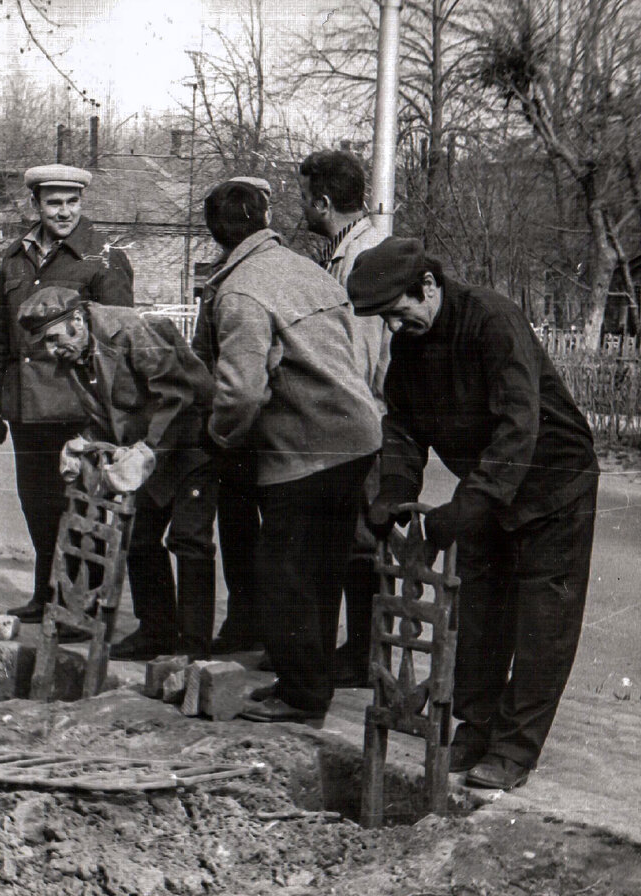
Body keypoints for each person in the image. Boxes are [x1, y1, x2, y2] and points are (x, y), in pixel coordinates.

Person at [347, 237, 599, 791]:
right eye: (384, 318)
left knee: (542, 621)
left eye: (398, 311)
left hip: (553, 484)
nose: (393, 326)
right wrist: (393, 489)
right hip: (489, 484)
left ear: (429, 286)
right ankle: (477, 725)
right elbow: (404, 428)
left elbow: (517, 428)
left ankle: (514, 748)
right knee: (480, 611)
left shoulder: (491, 320)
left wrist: (464, 511)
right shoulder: (411, 346)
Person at [200, 180, 381, 727]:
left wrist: (221, 437)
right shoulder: (307, 269)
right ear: (263, 220)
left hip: (303, 450)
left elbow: (240, 390)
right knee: (324, 568)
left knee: (286, 574)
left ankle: (302, 698)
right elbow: (355, 349)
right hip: (355, 439)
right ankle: (309, 680)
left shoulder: (240, 291)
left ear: (215, 235)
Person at [17, 287, 218, 660]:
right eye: (43, 344)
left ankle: (193, 650)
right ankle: (156, 633)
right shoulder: (76, 354)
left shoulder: (130, 332)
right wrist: (85, 443)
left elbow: (178, 396)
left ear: (77, 321)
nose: (50, 352)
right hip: (150, 445)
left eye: (52, 339)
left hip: (190, 439)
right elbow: (110, 413)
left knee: (190, 540)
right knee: (140, 538)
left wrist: (145, 451)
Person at [0, 163, 134, 622]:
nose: (64, 212)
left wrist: (105, 416)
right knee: (38, 506)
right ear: (36, 205)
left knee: (82, 509)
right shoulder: (14, 258)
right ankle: (46, 595)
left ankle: (79, 606)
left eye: (72, 202)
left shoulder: (101, 258)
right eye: (54, 203)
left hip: (75, 407)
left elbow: (116, 340)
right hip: (26, 408)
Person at [297, 149, 389, 687]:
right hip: (355, 418)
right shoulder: (343, 253)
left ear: (324, 202)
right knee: (353, 539)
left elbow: (366, 352)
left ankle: (363, 656)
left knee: (363, 540)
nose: (302, 207)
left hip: (368, 418)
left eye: (304, 197)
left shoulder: (365, 257)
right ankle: (355, 652)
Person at [192, 175, 270, 656]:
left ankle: (259, 624)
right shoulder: (222, 277)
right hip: (246, 421)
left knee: (256, 532)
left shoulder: (239, 281)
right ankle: (246, 621)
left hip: (253, 423)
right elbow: (205, 353)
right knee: (240, 528)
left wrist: (218, 429)